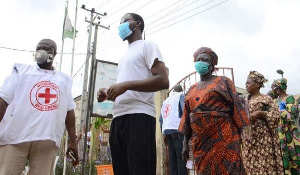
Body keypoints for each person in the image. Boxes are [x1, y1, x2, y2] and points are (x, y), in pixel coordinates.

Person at [97, 13, 169, 175]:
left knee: (140, 170)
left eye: (124, 21)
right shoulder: (124, 57)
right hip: (118, 119)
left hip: (139, 117)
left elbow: (163, 80)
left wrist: (126, 86)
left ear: (136, 24)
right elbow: (125, 88)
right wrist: (108, 93)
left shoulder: (147, 45)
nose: (120, 26)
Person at [0, 39, 78, 175]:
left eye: (47, 49)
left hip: (46, 139)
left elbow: (69, 111)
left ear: (54, 54)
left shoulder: (63, 80)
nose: (41, 51)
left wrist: (73, 141)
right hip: (15, 136)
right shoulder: (22, 71)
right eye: (39, 48)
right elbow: (3, 100)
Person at [178, 47, 249, 175]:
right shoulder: (191, 89)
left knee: (229, 168)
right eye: (198, 60)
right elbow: (186, 118)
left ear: (211, 65)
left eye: (204, 60)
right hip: (200, 142)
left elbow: (237, 106)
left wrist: (243, 132)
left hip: (225, 137)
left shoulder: (223, 82)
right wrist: (184, 144)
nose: (200, 62)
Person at [241, 71, 283, 174]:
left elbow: (276, 116)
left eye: (248, 83)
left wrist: (261, 114)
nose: (246, 85)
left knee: (266, 165)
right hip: (248, 140)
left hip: (264, 139)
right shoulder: (244, 101)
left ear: (258, 84)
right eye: (245, 83)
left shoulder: (266, 99)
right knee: (251, 166)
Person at [272, 77, 300, 174]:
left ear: (278, 88)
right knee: (284, 154)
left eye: (274, 87)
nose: (273, 90)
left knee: (294, 154)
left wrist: (279, 113)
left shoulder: (290, 98)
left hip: (290, 131)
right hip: (279, 132)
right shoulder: (275, 101)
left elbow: (292, 114)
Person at [160, 84, 187, 175]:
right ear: (181, 91)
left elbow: (161, 118)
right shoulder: (181, 96)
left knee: (172, 158)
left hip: (167, 130)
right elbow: (184, 111)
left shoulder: (165, 101)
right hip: (177, 129)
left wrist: (163, 132)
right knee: (181, 157)